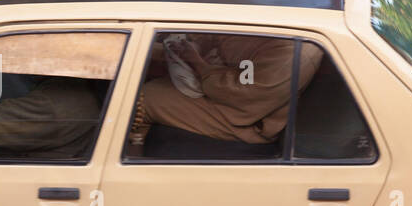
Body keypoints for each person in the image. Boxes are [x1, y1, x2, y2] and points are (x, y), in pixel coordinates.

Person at [136, 34, 321, 144]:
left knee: (140, 100)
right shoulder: (262, 16)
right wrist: (189, 43)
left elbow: (244, 93)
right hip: (216, 77)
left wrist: (197, 63)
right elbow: (221, 37)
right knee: (147, 54)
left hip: (243, 117)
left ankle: (132, 154)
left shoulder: (292, 50)